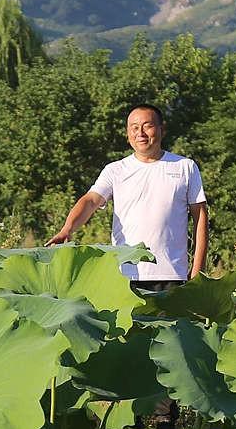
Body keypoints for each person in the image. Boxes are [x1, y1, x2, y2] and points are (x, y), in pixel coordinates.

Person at [46, 104, 208, 291]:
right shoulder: (115, 170)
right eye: (134, 127)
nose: (140, 133)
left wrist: (198, 271)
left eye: (147, 126)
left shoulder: (184, 167)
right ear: (127, 133)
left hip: (171, 275)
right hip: (125, 276)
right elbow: (90, 201)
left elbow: (200, 216)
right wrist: (67, 229)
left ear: (161, 129)